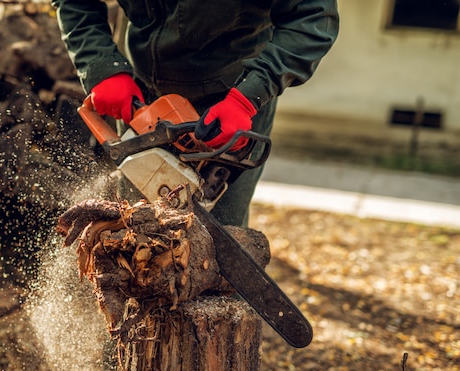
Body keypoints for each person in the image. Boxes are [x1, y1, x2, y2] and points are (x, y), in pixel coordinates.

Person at [51, 0, 339, 226]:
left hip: (230, 102)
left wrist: (250, 95)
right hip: (140, 95)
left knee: (216, 245)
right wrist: (100, 65)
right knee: (130, 229)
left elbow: (313, 18)